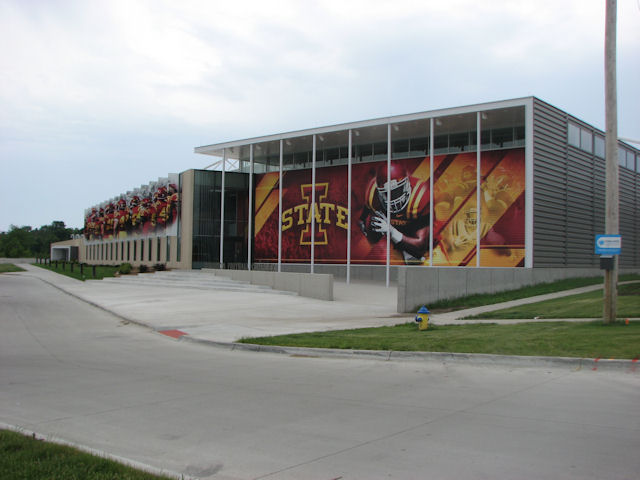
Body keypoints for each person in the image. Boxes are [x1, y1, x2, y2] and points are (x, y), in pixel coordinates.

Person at [359, 163, 430, 264]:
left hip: (411, 226)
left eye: (396, 191)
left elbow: (420, 247)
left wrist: (392, 232)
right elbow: (362, 219)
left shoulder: (419, 197)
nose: (392, 199)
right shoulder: (373, 194)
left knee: (416, 256)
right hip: (387, 225)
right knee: (370, 224)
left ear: (406, 184)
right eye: (386, 193)